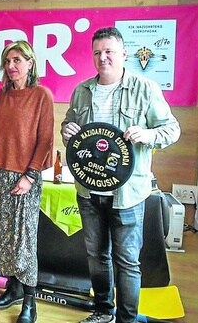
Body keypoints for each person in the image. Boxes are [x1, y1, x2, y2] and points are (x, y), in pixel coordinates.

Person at [61, 27, 180, 323]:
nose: (103, 58)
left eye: (109, 52)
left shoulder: (145, 88)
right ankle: (103, 311)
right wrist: (66, 131)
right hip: (89, 191)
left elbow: (172, 129)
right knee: (96, 256)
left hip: (127, 194)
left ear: (124, 54)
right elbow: (69, 128)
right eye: (98, 52)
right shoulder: (82, 90)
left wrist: (148, 134)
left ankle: (126, 319)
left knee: (127, 261)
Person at [0, 40, 54, 323]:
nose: (11, 66)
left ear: (30, 63)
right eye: (8, 61)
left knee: (24, 241)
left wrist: (30, 176)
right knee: (5, 238)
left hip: (26, 177)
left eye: (17, 60)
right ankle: (13, 288)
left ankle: (30, 303)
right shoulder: (2, 95)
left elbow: (45, 140)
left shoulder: (41, 96)